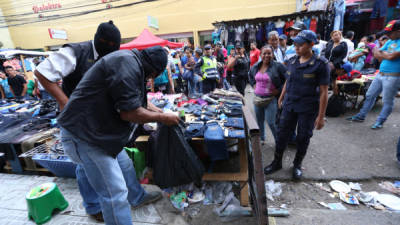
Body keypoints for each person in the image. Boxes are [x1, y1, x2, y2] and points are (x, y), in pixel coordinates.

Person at [58, 46, 180, 225]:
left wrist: (160, 111)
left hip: (99, 132)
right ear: (154, 71)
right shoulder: (127, 64)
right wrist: (162, 117)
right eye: (154, 76)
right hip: (85, 135)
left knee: (126, 165)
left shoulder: (133, 62)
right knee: (114, 193)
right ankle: (100, 208)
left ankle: (137, 197)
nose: (151, 79)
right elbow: (129, 113)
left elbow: (140, 101)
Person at [35, 21, 122, 222]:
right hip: (76, 122)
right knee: (86, 164)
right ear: (101, 41)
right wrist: (64, 102)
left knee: (87, 165)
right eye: (109, 46)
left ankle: (98, 203)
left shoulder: (108, 55)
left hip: (95, 119)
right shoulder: (77, 52)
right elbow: (42, 72)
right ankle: (94, 206)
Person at [264, 30, 329, 180]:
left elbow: (324, 92)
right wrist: (281, 97)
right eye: (295, 44)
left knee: (303, 137)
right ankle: (277, 162)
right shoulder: (292, 61)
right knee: (282, 135)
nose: (297, 47)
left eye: (301, 44)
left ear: (311, 44)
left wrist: (321, 117)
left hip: (308, 108)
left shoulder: (320, 64)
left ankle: (297, 165)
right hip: (290, 105)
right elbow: (288, 80)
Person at [347, 20, 400, 130]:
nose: (387, 35)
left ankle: (380, 121)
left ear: (398, 31)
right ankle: (361, 116)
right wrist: (386, 54)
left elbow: (390, 57)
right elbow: (376, 55)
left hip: (393, 76)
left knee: (387, 100)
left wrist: (383, 54)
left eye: (390, 32)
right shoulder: (390, 42)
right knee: (370, 95)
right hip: (380, 74)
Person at [248, 45, 287, 145]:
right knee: (259, 121)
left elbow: (288, 80)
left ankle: (278, 141)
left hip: (270, 99)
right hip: (257, 99)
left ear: (272, 54)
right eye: (264, 53)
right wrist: (253, 85)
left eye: (269, 53)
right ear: (260, 55)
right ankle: (262, 138)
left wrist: (279, 90)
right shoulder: (256, 66)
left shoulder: (278, 66)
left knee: (271, 122)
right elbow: (250, 76)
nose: (266, 55)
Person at [325, 30, 348, 95]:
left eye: (336, 35)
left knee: (329, 75)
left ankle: (325, 89)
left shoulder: (343, 44)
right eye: (333, 35)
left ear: (340, 36)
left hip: (337, 64)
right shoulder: (330, 43)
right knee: (333, 80)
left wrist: (334, 63)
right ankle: (335, 95)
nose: (335, 37)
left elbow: (343, 55)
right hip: (327, 63)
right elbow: (325, 53)